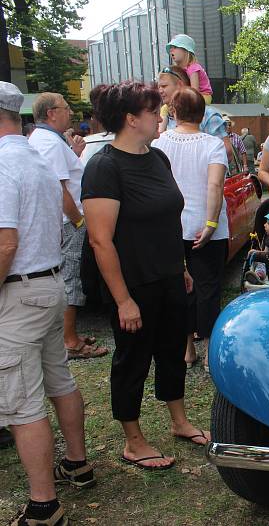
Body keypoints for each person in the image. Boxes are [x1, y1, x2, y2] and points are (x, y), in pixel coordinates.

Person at [82, 81, 209, 470]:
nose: (161, 116)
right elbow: (100, 241)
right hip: (134, 284)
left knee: (172, 352)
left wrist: (182, 268)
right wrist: (123, 299)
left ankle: (179, 421)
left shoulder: (158, 159)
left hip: (170, 276)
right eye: (154, 111)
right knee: (132, 361)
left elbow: (169, 220)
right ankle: (134, 441)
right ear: (131, 119)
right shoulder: (104, 167)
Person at [0, 81, 94, 526]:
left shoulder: (3, 162)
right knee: (58, 377)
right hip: (48, 283)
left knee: (22, 403)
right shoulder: (34, 156)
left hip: (19, 289)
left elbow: (4, 244)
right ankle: (77, 461)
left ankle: (44, 505)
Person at [151, 87, 229, 370]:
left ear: (173, 111)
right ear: (203, 113)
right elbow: (215, 185)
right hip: (205, 226)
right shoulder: (212, 144)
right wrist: (210, 223)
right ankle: (209, 353)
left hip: (172, 226)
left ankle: (186, 349)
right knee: (208, 288)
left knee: (178, 288)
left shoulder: (159, 144)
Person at [28, 93, 108, 360]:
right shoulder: (49, 143)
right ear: (51, 113)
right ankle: (70, 341)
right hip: (69, 222)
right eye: (65, 108)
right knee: (71, 279)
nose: (71, 112)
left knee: (68, 278)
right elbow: (60, 189)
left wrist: (74, 154)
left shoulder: (48, 140)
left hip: (63, 221)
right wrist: (79, 220)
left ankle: (66, 334)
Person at [157, 66, 232, 163]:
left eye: (164, 86)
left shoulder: (208, 114)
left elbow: (227, 153)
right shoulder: (162, 117)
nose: (160, 91)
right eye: (158, 87)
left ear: (180, 84)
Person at [166, 34, 212, 104]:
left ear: (185, 50)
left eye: (175, 47)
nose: (171, 50)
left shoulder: (193, 68)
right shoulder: (181, 70)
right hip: (190, 95)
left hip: (203, 96)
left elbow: (194, 91)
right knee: (166, 108)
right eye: (170, 48)